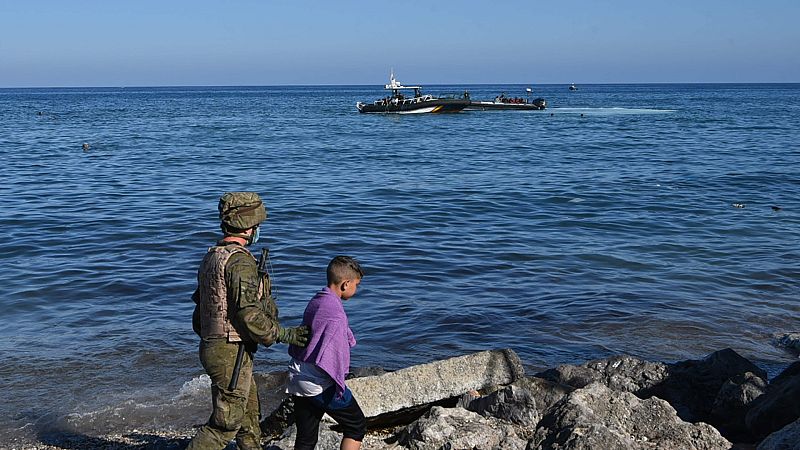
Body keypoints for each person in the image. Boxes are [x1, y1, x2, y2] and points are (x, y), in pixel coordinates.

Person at [188, 192, 310, 450]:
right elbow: (248, 314)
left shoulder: (212, 256)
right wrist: (284, 334)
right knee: (226, 423)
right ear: (248, 226)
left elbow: (200, 313)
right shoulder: (240, 261)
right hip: (229, 350)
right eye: (258, 226)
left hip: (218, 346)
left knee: (248, 417)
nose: (259, 230)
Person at [287, 256, 367, 450]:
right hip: (318, 383)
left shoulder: (318, 300)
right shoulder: (336, 315)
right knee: (356, 426)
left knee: (306, 438)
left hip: (298, 376)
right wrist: (340, 381)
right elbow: (332, 356)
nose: (356, 290)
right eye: (356, 285)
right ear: (345, 284)